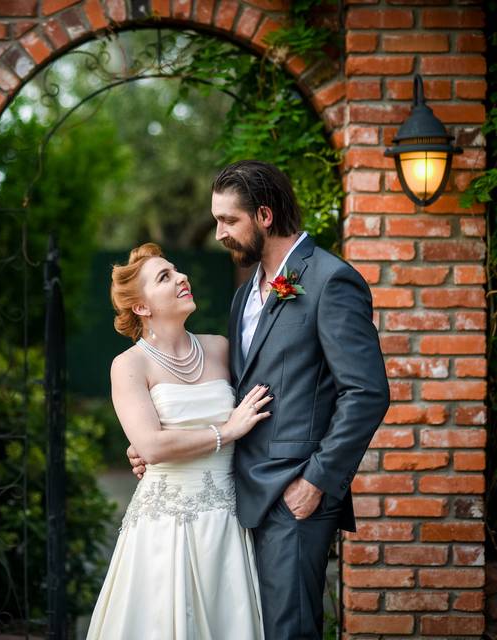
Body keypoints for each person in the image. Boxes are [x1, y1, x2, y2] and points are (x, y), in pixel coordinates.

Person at [127, 160, 390, 639]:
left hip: (294, 495)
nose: (220, 233)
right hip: (233, 497)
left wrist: (317, 480)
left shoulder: (331, 280)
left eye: (229, 220)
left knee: (289, 630)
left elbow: (367, 392)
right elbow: (227, 394)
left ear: (264, 216)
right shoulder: (243, 296)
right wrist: (156, 442)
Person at [86, 242, 271, 639]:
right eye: (164, 277)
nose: (181, 277)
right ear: (141, 307)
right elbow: (151, 446)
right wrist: (226, 431)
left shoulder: (220, 349)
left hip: (226, 520)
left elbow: (260, 415)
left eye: (176, 270)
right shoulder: (129, 365)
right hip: (164, 524)